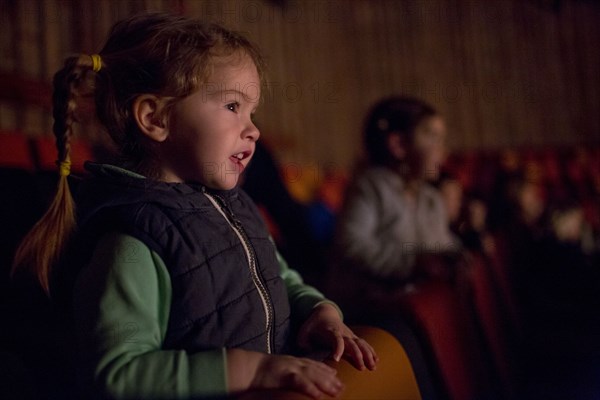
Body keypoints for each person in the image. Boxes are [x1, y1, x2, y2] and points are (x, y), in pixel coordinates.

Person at [11, 13, 377, 399]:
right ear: (155, 118)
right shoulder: (132, 243)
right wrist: (253, 369)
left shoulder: (236, 208)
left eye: (251, 111)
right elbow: (118, 372)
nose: (253, 129)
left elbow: (281, 278)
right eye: (233, 106)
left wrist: (321, 312)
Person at [330, 96, 461, 310]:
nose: (443, 150)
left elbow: (441, 242)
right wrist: (414, 263)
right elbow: (352, 246)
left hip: (418, 306)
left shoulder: (430, 198)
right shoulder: (371, 187)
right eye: (433, 138)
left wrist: (457, 254)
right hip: (374, 308)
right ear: (398, 144)